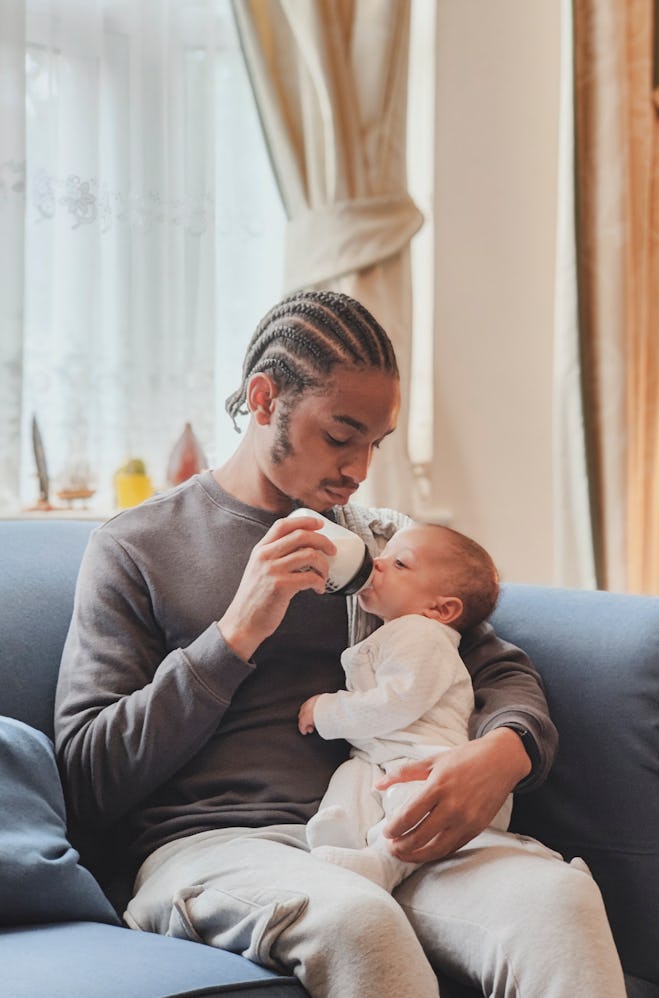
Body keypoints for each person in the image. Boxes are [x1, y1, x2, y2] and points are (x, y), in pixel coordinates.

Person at [54, 290, 626, 998]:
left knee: (557, 904)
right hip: (211, 850)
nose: (358, 469)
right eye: (340, 435)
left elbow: (497, 667)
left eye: (374, 445)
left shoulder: (377, 546)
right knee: (359, 921)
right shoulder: (134, 546)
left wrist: (503, 755)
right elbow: (84, 777)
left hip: (376, 832)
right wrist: (236, 633)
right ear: (264, 401)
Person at [298, 521, 514, 893]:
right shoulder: (398, 630)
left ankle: (386, 863)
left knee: (408, 801)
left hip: (430, 766)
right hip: (383, 757)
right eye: (383, 556)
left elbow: (394, 704)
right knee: (354, 777)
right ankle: (342, 832)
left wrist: (325, 711)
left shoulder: (426, 636)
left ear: (441, 609)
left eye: (400, 564)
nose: (377, 563)